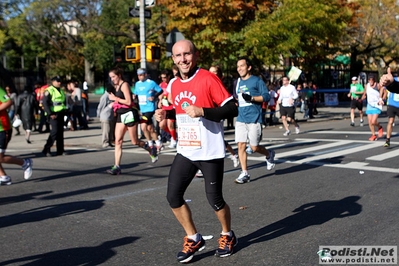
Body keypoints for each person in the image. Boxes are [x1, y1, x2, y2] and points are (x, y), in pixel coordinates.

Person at [154, 40, 238, 263]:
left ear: (195, 55)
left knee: (215, 200)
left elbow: (232, 107)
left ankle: (227, 235)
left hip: (210, 151)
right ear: (173, 59)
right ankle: (193, 237)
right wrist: (165, 115)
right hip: (187, 150)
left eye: (187, 54)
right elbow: (181, 112)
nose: (183, 59)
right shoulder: (172, 84)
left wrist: (203, 111)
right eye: (178, 56)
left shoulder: (208, 78)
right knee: (173, 196)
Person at [106, 67, 158, 175]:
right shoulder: (114, 86)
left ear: (119, 75)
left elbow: (129, 101)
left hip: (129, 114)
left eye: (113, 77)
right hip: (121, 115)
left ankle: (150, 149)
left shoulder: (124, 84)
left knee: (134, 141)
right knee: (118, 141)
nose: (112, 79)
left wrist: (116, 99)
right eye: (111, 77)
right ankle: (117, 166)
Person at [234, 56, 275, 184]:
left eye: (242, 65)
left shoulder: (257, 81)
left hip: (254, 118)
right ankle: (244, 173)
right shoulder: (237, 82)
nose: (239, 68)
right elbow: (237, 98)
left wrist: (252, 98)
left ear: (249, 67)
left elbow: (266, 97)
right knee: (241, 145)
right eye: (238, 66)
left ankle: (269, 154)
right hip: (241, 118)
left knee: (254, 147)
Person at [0, 86, 33, 185]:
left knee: (0, 157)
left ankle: (25, 163)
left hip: (3, 129)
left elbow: (9, 102)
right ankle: (4, 177)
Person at [135, 68, 163, 153]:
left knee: (143, 126)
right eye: (138, 75)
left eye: (141, 75)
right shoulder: (137, 84)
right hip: (142, 108)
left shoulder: (151, 83)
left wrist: (154, 97)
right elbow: (136, 94)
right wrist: (134, 97)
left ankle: (150, 143)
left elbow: (160, 90)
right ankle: (157, 142)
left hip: (150, 108)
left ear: (145, 74)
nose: (139, 77)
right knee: (150, 128)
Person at [42, 76, 67, 157]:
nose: (59, 83)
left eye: (60, 81)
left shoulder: (61, 90)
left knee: (60, 132)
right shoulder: (49, 90)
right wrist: (50, 113)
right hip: (53, 114)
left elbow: (63, 102)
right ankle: (47, 148)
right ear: (53, 82)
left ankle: (60, 150)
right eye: (57, 81)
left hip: (61, 113)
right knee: (54, 132)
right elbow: (45, 103)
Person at [158, 69, 177, 148]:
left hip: (171, 107)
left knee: (170, 125)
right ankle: (174, 135)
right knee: (162, 125)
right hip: (164, 107)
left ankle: (174, 139)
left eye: (165, 77)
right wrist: (160, 100)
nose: (163, 79)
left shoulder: (173, 83)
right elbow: (161, 94)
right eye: (162, 77)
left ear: (169, 76)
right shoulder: (161, 85)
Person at [362, 76, 384, 141]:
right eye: (369, 80)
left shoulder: (378, 85)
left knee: (373, 121)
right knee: (370, 121)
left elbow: (383, 91)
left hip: (377, 105)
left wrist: (382, 98)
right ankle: (373, 135)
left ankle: (379, 127)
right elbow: (365, 93)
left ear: (374, 80)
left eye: (372, 80)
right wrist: (363, 96)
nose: (370, 81)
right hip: (369, 105)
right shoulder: (367, 86)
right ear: (368, 80)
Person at [381, 75, 399, 147]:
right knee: (390, 121)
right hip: (391, 104)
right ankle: (388, 140)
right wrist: (380, 98)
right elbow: (383, 88)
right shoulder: (392, 80)